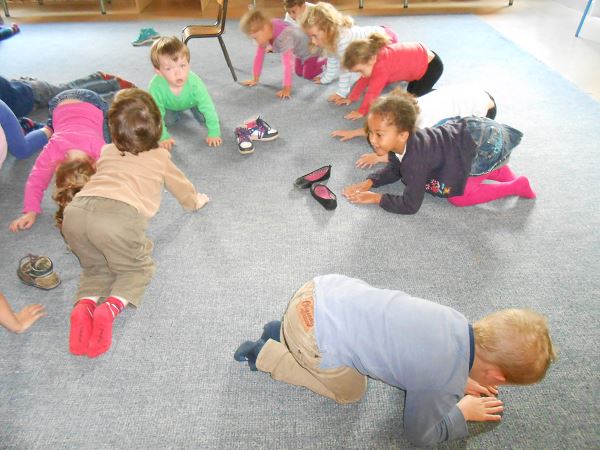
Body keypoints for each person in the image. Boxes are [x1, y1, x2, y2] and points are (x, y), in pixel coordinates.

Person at [234, 274, 556, 447]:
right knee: (352, 393)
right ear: (497, 377)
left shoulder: (456, 321)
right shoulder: (441, 379)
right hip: (311, 333)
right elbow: (420, 434)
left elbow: (424, 352)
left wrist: (459, 379)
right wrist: (461, 412)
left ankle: (284, 331)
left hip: (321, 289)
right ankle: (269, 353)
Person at [61, 88, 210, 358]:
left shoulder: (106, 151)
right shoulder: (160, 157)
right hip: (119, 219)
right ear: (158, 126)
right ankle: (108, 309)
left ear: (112, 130)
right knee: (136, 269)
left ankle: (84, 306)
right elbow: (182, 189)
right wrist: (195, 201)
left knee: (96, 267)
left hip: (76, 214)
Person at [342, 93, 536, 214]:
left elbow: (410, 205)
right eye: (370, 132)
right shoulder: (404, 142)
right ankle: (499, 171)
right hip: (470, 133)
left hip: (484, 143)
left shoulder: (416, 160)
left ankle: (516, 186)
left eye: (379, 134)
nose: (372, 139)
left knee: (458, 198)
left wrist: (376, 198)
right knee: (460, 165)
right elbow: (395, 169)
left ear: (402, 135)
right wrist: (370, 182)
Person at [9, 89, 109, 233]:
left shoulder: (100, 148)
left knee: (110, 139)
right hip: (72, 103)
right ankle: (45, 126)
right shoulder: (55, 148)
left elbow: (37, 179)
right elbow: (36, 180)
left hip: (78, 102)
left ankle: (46, 126)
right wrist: (30, 210)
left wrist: (31, 212)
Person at [333, 87, 497, 167]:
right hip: (470, 93)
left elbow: (412, 153)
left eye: (379, 135)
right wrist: (355, 132)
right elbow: (382, 125)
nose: (373, 140)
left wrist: (380, 157)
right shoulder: (406, 111)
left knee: (452, 147)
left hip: (484, 109)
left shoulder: (425, 128)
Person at [300, 2, 398, 103]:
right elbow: (332, 57)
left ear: (327, 29)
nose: (313, 41)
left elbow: (345, 69)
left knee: (376, 74)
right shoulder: (331, 36)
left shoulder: (343, 39)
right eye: (310, 36)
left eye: (315, 36)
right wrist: (326, 79)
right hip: (380, 32)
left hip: (387, 40)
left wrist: (341, 93)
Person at [340, 33, 443, 120]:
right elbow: (363, 79)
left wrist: (361, 112)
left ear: (371, 59)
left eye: (360, 71)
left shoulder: (381, 69)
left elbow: (372, 93)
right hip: (422, 60)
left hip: (431, 68)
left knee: (416, 101)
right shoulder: (372, 57)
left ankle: (436, 93)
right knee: (409, 96)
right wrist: (351, 98)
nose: (361, 74)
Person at [148, 36, 222, 151]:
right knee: (169, 122)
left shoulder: (195, 82)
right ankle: (177, 111)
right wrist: (163, 137)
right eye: (169, 69)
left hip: (193, 102)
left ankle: (193, 108)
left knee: (204, 117)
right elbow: (155, 114)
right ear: (159, 72)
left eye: (182, 65)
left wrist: (214, 133)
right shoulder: (155, 87)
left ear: (189, 64)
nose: (178, 73)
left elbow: (208, 107)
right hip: (169, 106)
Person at [240, 9, 325, 99]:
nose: (255, 42)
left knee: (308, 75)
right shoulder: (269, 26)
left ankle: (325, 61)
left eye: (255, 38)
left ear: (265, 28)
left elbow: (288, 64)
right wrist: (255, 79)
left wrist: (286, 89)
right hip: (299, 53)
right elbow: (259, 56)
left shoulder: (284, 38)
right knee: (299, 72)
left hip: (312, 51)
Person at [0, 72, 134, 121]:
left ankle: (114, 84)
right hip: (26, 88)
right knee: (65, 88)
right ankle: (98, 77)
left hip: (34, 94)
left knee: (71, 94)